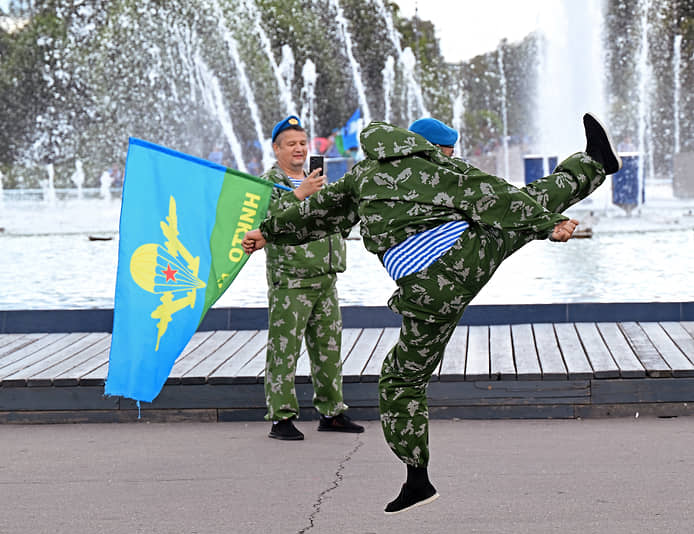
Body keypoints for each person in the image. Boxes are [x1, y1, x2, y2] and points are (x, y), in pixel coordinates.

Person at [243, 113, 622, 512]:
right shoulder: (437, 167)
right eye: (449, 150)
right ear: (428, 146)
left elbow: (312, 214)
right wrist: (548, 223)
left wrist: (266, 233)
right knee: (514, 212)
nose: (452, 156)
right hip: (465, 260)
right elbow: (492, 194)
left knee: (400, 381)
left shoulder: (359, 177)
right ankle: (594, 163)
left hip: (429, 291)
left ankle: (417, 479)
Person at [260, 115, 364, 441]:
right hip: (291, 281)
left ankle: (331, 412)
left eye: (303, 143)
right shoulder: (270, 185)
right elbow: (270, 224)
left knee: (329, 350)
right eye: (290, 144)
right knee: (284, 351)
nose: (299, 149)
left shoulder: (317, 181)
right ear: (276, 149)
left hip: (325, 278)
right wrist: (299, 194)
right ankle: (281, 418)